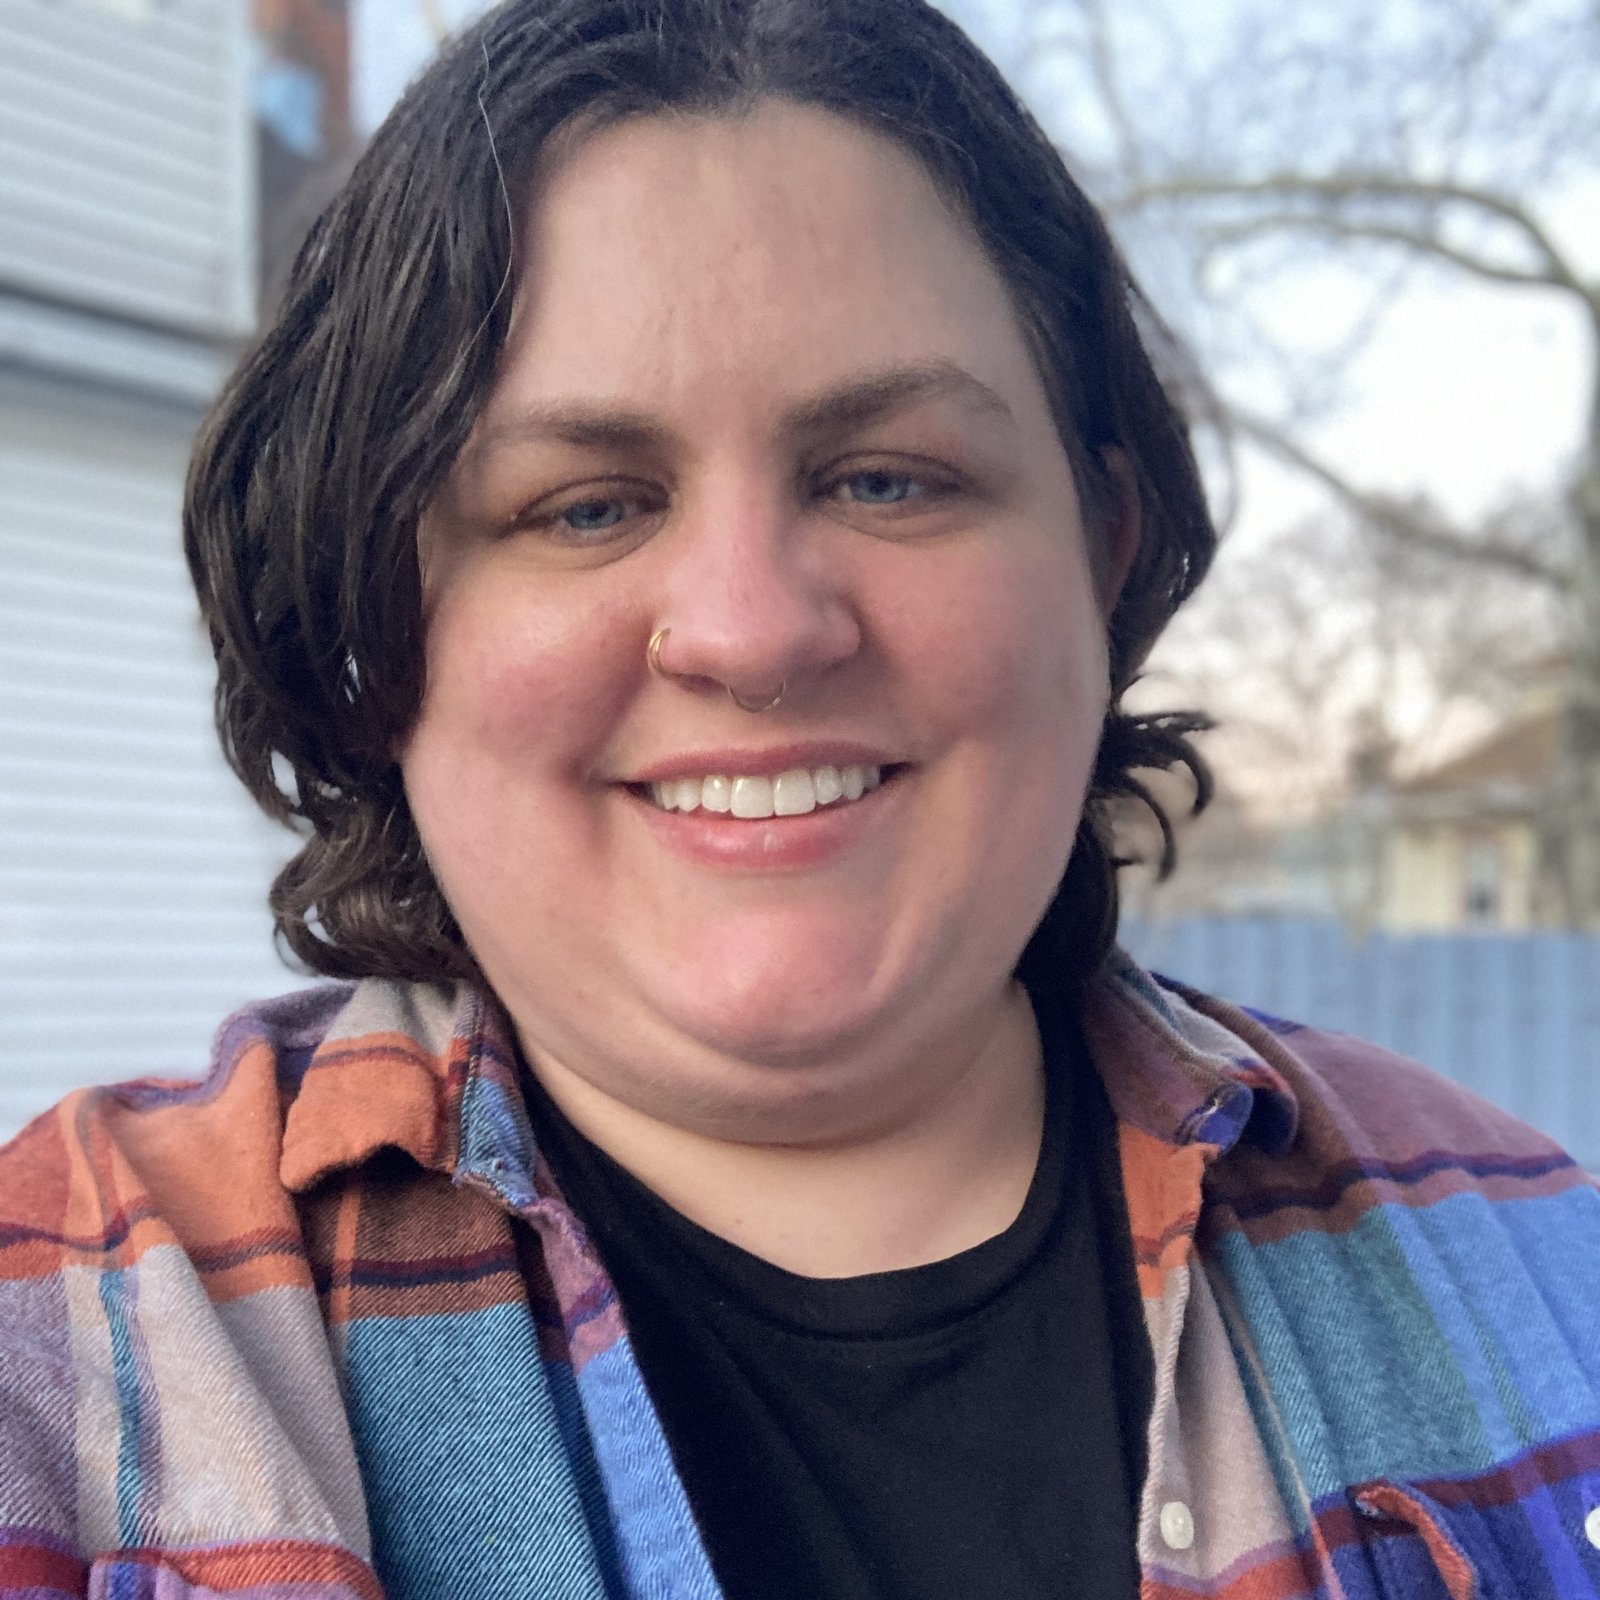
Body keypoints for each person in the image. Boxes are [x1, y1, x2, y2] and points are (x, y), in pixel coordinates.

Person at [3, 1, 1599, 1597]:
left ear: (1101, 555)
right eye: (585, 508)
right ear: (371, 618)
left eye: (887, 478)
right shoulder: (65, 1342)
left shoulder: (1553, 1271)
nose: (754, 629)